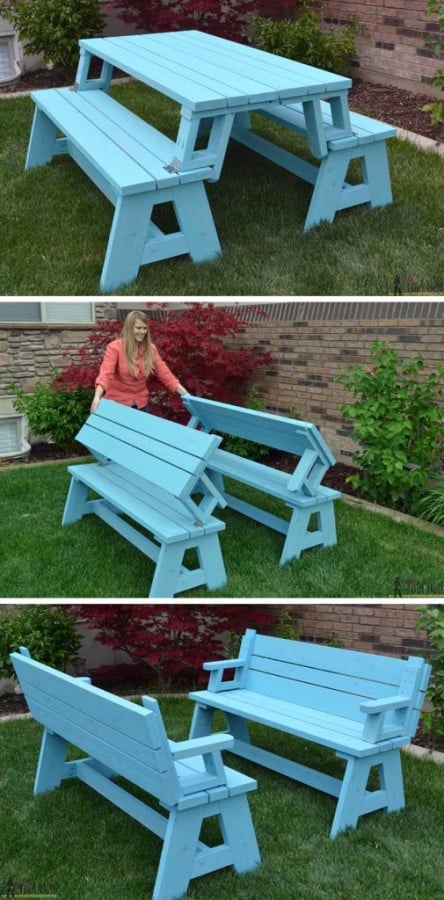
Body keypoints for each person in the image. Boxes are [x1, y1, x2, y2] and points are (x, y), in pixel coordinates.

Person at [90, 310, 188, 413]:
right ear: (129, 328)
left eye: (144, 328)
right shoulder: (115, 347)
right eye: (138, 328)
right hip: (116, 405)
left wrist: (185, 394)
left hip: (141, 404)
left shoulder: (151, 349)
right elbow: (106, 374)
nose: (142, 332)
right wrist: (97, 397)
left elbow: (165, 374)